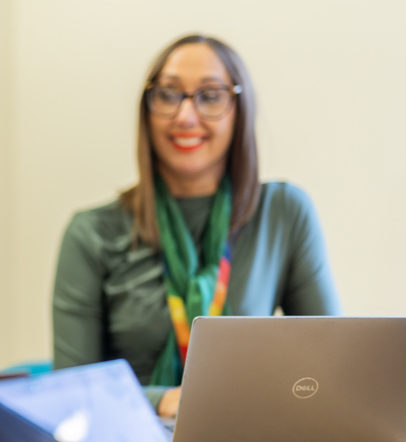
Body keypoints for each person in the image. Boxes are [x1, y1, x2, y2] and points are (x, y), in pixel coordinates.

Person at [51, 35, 341, 418]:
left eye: (210, 95)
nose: (186, 116)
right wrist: (164, 401)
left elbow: (332, 371)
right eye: (169, 94)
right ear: (147, 109)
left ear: (239, 109)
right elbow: (71, 392)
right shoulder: (91, 233)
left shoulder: (283, 212)